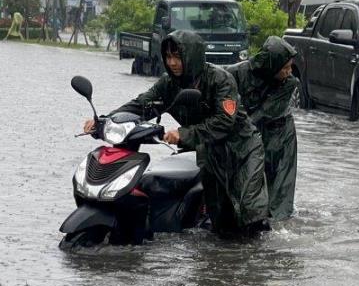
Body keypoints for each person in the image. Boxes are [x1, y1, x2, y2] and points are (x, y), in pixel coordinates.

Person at [87, 30, 269, 237]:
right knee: (222, 219)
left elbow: (223, 122)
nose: (172, 62)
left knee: (249, 210)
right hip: (210, 151)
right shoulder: (168, 84)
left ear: (191, 56)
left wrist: (183, 134)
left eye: (178, 57)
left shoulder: (221, 80)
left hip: (243, 150)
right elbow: (142, 105)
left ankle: (260, 256)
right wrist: (105, 121)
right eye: (168, 57)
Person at [227, 36, 299, 221]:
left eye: (290, 67)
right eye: (285, 68)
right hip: (248, 129)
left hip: (280, 133)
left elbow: (262, 113)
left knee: (280, 186)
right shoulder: (238, 72)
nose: (289, 72)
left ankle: (276, 224)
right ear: (271, 65)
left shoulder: (289, 83)